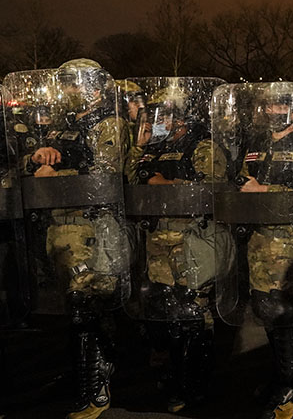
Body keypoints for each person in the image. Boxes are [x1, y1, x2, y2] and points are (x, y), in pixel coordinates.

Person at [9, 59, 129, 419]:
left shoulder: (110, 123)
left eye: (73, 85)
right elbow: (21, 164)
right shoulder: (64, 127)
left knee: (88, 308)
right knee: (75, 310)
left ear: (92, 87)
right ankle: (83, 379)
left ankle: (97, 389)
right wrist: (36, 158)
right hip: (61, 229)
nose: (67, 92)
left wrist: (57, 173)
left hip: (93, 229)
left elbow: (106, 176)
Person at [215, 81, 293, 419]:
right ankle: (286, 379)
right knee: (269, 316)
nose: (273, 112)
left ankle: (288, 388)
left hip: (292, 245)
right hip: (260, 244)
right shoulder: (257, 145)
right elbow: (241, 182)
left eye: (281, 107)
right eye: (269, 107)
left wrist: (262, 189)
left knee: (288, 317)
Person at [125, 80, 222, 412]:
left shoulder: (202, 146)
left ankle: (196, 385)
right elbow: (129, 180)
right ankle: (175, 377)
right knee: (166, 315)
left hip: (190, 241)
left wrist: (166, 185)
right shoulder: (153, 148)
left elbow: (213, 190)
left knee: (194, 313)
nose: (155, 122)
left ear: (181, 118)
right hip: (158, 243)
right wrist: (139, 148)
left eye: (162, 115)